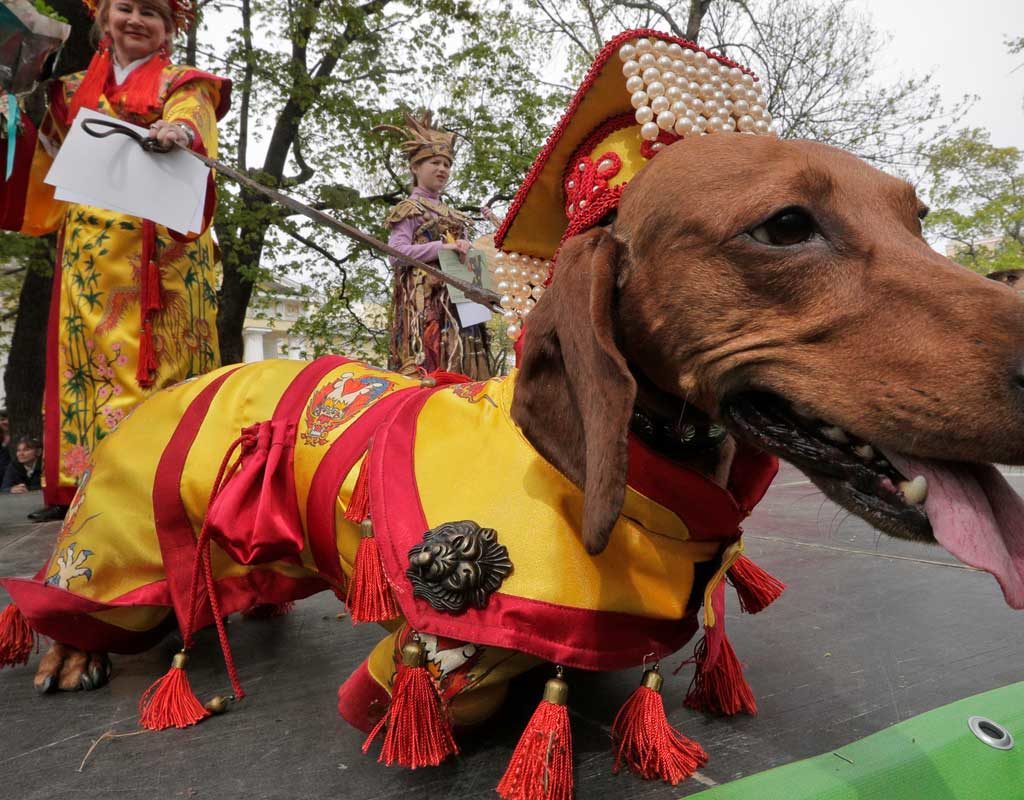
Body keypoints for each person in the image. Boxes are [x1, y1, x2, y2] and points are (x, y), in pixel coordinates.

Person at [0, 0, 231, 521]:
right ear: (103, 20)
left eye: (151, 12)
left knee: (163, 368)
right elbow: (46, 154)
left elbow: (193, 117)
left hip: (162, 256)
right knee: (88, 365)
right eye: (124, 8)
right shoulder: (65, 91)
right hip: (90, 255)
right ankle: (84, 481)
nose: (135, 20)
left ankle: (166, 479)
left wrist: (179, 134)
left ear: (169, 29)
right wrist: (10, 116)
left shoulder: (185, 82)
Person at [381, 112, 493, 380]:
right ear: (415, 167)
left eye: (447, 164)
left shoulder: (454, 215)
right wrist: (439, 249)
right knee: (432, 364)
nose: (442, 169)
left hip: (463, 305)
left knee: (468, 366)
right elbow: (396, 255)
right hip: (427, 308)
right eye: (434, 162)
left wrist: (468, 249)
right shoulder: (409, 209)